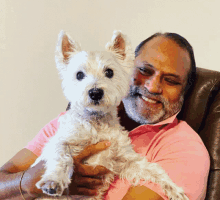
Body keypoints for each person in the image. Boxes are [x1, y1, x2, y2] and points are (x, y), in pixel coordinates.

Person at [0, 32, 210, 200]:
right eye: (145, 70)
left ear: (184, 92)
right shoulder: (63, 122)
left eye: (171, 80)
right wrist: (29, 182)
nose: (153, 87)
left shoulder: (184, 147)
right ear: (128, 69)